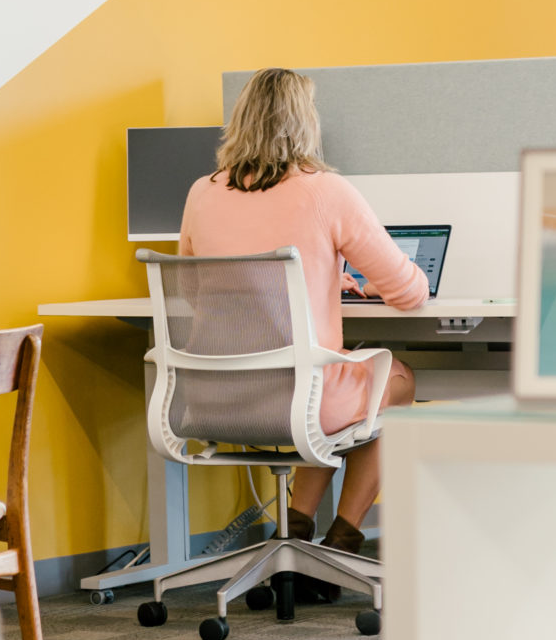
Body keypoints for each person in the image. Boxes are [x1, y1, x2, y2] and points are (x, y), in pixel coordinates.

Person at [178, 67, 425, 555]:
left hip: (218, 399)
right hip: (303, 400)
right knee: (393, 382)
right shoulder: (325, 190)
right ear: (305, 122)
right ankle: (345, 535)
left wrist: (327, 275)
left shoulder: (201, 192)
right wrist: (358, 281)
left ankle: (296, 527)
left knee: (321, 381)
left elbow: (191, 290)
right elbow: (410, 293)